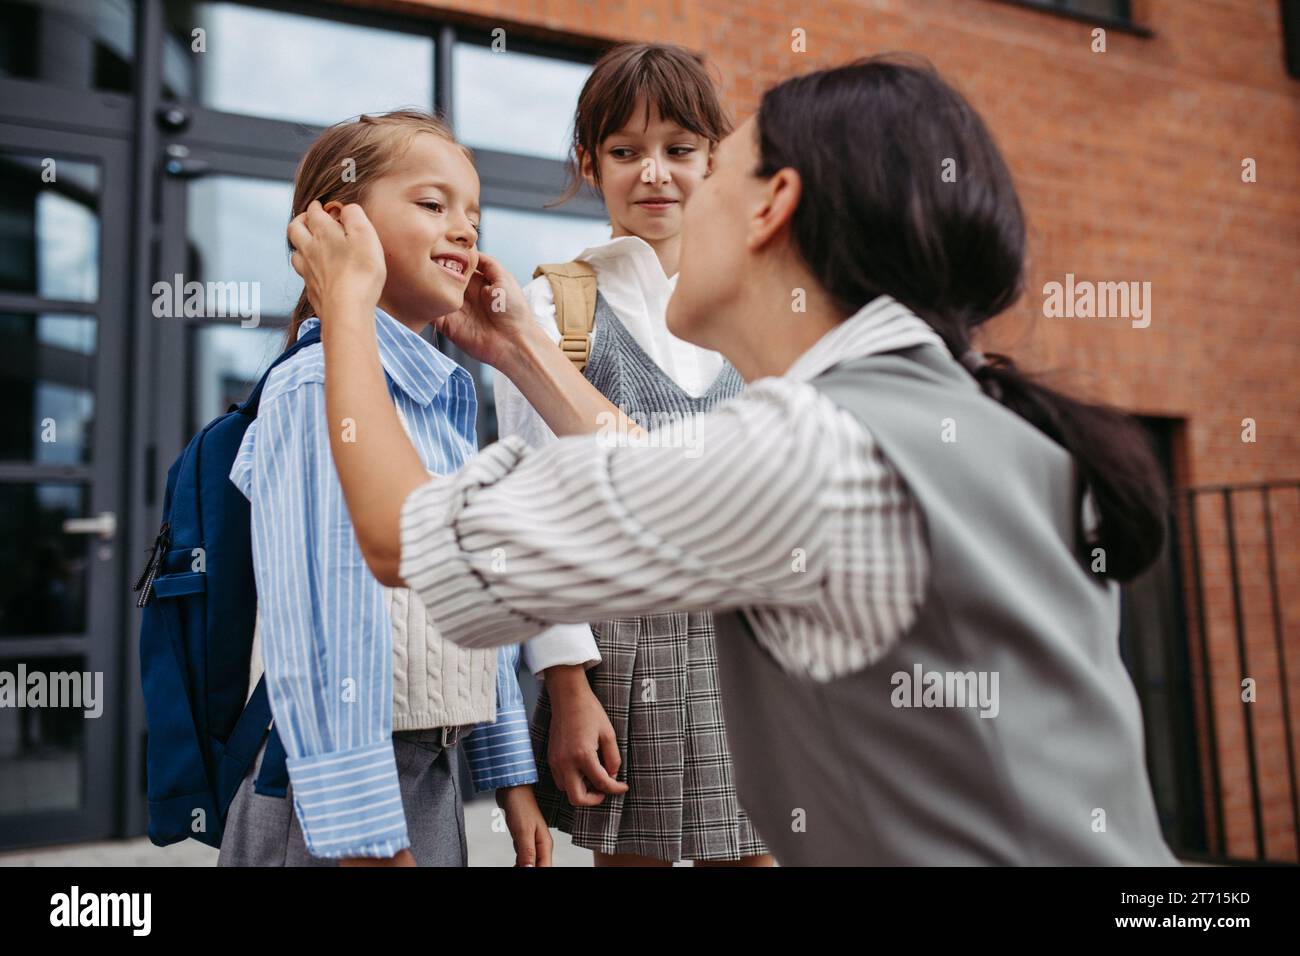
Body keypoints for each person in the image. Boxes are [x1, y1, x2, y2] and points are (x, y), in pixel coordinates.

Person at [288, 56, 1180, 866]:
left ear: (771, 203)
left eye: (706, 163)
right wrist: (525, 349)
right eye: (629, 152)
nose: (670, 184)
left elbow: (406, 540)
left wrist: (351, 302)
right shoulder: (965, 408)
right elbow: (660, 475)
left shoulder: (812, 446)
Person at [219, 111, 552, 867]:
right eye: (433, 205)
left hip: (427, 776)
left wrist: (509, 776)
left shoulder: (444, 399)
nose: (465, 230)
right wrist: (365, 838)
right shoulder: (313, 389)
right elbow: (318, 623)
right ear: (339, 225)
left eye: (473, 213)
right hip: (333, 799)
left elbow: (477, 607)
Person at [498, 42, 771, 867]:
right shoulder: (555, 305)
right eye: (626, 151)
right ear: (590, 163)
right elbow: (536, 512)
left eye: (680, 150)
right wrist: (568, 687)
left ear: (714, 159)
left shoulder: (758, 304)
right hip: (620, 651)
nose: (654, 172)